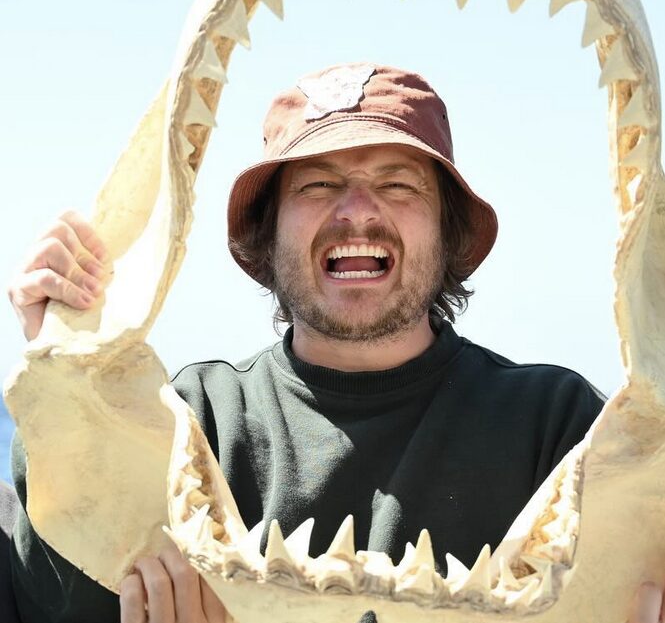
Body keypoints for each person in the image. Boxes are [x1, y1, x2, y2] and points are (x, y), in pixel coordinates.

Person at [6, 63, 663, 623]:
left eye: (397, 183)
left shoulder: (557, 431)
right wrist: (64, 389)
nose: (354, 211)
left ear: (446, 229)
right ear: (267, 233)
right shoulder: (188, 424)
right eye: (316, 184)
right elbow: (39, 592)